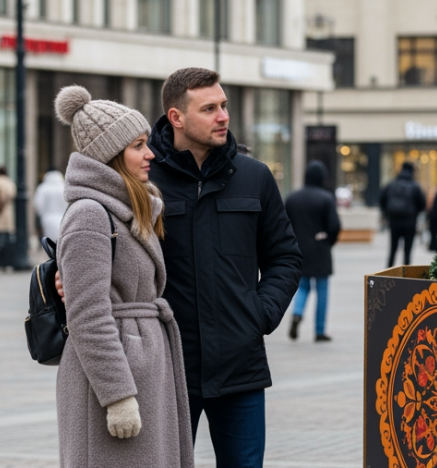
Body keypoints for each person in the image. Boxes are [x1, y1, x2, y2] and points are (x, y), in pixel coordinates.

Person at [60, 68, 300, 467]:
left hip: (240, 366)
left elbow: (285, 257)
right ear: (176, 117)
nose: (223, 116)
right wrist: (61, 277)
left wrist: (259, 315)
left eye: (224, 106)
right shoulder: (142, 180)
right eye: (209, 108)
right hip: (168, 367)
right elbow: (89, 247)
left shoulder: (254, 176)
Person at [52, 86, 194, 467]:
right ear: (111, 155)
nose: (150, 154)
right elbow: (87, 315)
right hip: (114, 380)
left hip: (141, 365)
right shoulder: (91, 214)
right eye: (138, 145)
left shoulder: (125, 209)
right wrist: (117, 396)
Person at [285, 161, 342, 343]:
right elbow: (335, 226)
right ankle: (319, 331)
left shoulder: (292, 198)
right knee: (322, 290)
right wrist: (328, 242)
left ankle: (297, 313)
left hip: (298, 250)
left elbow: (283, 224)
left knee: (302, 287)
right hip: (320, 249)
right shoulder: (325, 198)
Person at [380, 161, 426, 268]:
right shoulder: (414, 186)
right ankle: (406, 274)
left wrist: (387, 214)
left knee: (393, 248)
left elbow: (382, 200)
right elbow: (422, 204)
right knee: (407, 250)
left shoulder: (391, 184)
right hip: (410, 222)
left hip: (394, 222)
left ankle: (388, 272)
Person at [33, 167, 68, 244]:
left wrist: (42, 214)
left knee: (50, 243)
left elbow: (38, 204)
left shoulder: (43, 188)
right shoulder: (64, 187)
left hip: (47, 217)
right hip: (62, 217)